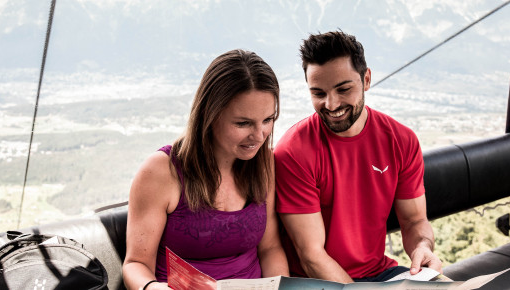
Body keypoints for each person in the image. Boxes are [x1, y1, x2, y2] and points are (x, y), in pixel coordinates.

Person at [275, 31, 442, 283]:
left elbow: (414, 220)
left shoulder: (401, 140)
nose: (331, 105)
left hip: (378, 273)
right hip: (315, 281)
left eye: (343, 89)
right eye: (318, 93)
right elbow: (311, 256)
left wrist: (422, 247)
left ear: (366, 79)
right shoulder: (294, 151)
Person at [122, 49, 289, 290]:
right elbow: (135, 264)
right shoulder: (160, 171)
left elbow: (270, 248)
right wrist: (152, 288)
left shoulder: (264, 164)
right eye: (243, 123)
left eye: (268, 120)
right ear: (210, 114)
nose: (259, 135)